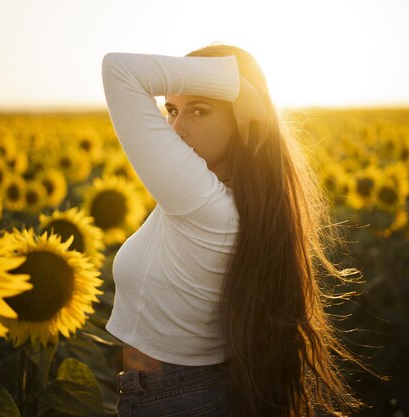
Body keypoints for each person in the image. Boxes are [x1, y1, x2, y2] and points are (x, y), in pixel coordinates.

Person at [101, 43, 366, 417]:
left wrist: (240, 84)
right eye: (172, 110)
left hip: (172, 400)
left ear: (241, 120)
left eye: (200, 110)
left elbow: (119, 70)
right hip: (192, 393)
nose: (176, 128)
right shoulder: (241, 199)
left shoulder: (202, 201)